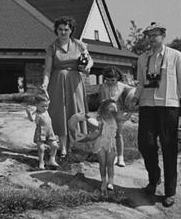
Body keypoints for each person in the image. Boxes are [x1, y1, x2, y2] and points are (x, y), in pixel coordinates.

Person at [130, 22, 181, 207]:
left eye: (155, 35)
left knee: (169, 148)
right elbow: (141, 82)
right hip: (147, 105)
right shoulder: (142, 58)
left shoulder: (176, 56)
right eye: (149, 36)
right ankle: (154, 177)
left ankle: (169, 192)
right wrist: (134, 98)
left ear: (163, 36)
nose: (152, 39)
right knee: (145, 143)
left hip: (169, 106)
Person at [40, 16, 94, 158]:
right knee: (60, 113)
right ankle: (63, 147)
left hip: (75, 82)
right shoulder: (51, 48)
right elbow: (47, 69)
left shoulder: (80, 45)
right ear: (56, 31)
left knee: (75, 111)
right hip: (57, 83)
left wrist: (88, 67)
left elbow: (89, 61)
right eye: (60, 29)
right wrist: (45, 84)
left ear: (71, 30)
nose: (63, 32)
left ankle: (73, 145)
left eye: (66, 29)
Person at [68, 100, 131, 194]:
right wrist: (81, 117)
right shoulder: (99, 119)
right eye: (111, 108)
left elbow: (125, 117)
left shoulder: (116, 118)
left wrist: (131, 108)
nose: (113, 110)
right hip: (100, 144)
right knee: (102, 164)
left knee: (110, 164)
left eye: (114, 108)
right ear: (105, 108)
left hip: (111, 144)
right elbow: (81, 119)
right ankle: (103, 181)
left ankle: (111, 182)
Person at [98, 66, 135, 167]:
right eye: (108, 80)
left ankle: (121, 157)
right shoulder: (103, 86)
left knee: (119, 134)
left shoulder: (122, 86)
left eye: (113, 80)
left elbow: (133, 92)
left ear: (117, 78)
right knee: (109, 135)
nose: (110, 82)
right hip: (107, 113)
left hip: (119, 112)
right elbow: (101, 100)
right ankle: (112, 156)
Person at [25, 95, 59, 169]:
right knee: (41, 148)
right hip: (40, 132)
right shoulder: (36, 113)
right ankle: (41, 161)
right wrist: (29, 114)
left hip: (50, 131)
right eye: (43, 106)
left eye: (46, 106)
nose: (45, 108)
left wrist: (45, 91)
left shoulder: (46, 110)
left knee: (55, 146)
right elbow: (31, 120)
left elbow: (48, 99)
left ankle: (52, 159)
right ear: (37, 105)